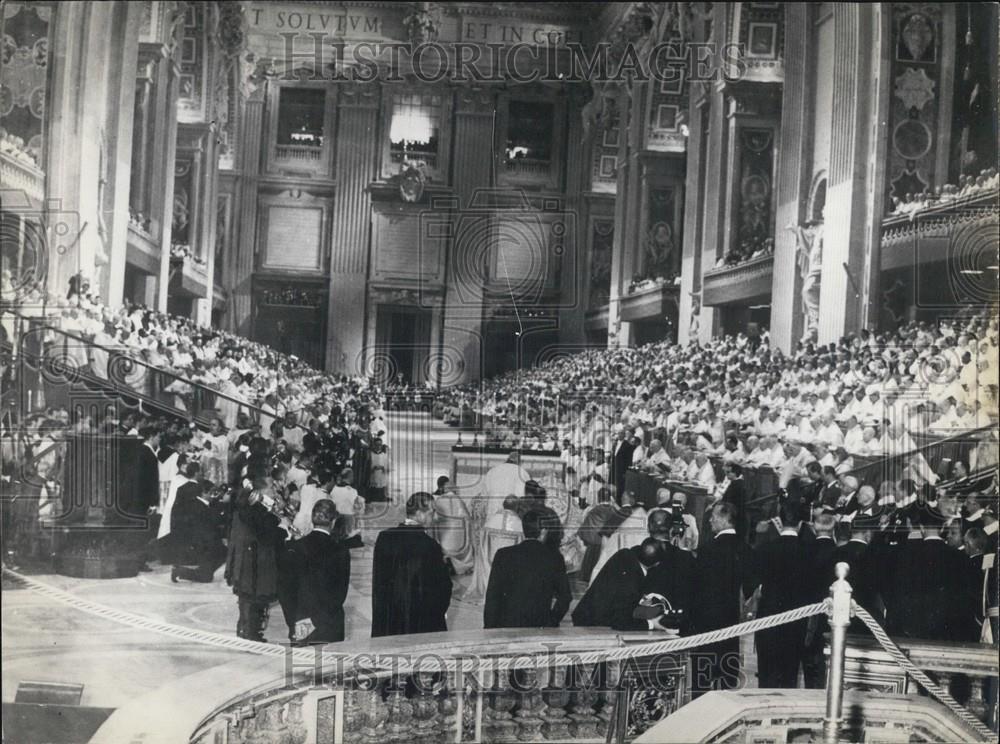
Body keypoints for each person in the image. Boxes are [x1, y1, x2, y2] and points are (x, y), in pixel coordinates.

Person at [745, 499, 814, 688]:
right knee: (789, 674)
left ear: (780, 522)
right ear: (801, 524)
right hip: (796, 620)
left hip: (768, 617)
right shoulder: (808, 553)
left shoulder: (764, 549)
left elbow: (752, 583)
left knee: (766, 672)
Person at [370, 492, 452, 637]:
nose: (436, 517)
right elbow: (441, 589)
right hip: (418, 625)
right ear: (420, 514)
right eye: (432, 512)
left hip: (388, 621)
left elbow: (378, 583)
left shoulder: (384, 538)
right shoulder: (430, 546)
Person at [689, 502, 746, 696]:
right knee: (727, 679)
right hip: (732, 622)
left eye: (714, 516)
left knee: (703, 679)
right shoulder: (745, 548)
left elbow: (696, 589)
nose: (711, 520)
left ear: (723, 519)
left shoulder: (708, 550)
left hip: (707, 622)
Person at [225, 475, 289, 641]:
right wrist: (284, 528)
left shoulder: (245, 503)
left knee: (245, 594)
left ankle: (244, 626)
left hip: (245, 557)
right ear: (260, 490)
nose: (274, 491)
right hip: (257, 558)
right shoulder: (257, 508)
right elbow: (267, 533)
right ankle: (252, 632)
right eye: (271, 488)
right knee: (256, 596)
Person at [484, 509, 571, 629]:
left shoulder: (503, 555)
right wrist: (551, 622)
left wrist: (489, 628)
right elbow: (565, 597)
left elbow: (492, 596)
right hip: (539, 626)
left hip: (506, 626)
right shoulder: (555, 558)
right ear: (544, 532)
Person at [572, 537, 669, 632]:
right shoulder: (631, 586)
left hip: (584, 613)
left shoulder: (624, 554)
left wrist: (640, 598)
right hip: (592, 625)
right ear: (656, 564)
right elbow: (621, 622)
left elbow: (616, 586)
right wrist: (652, 624)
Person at [292, 500, 351, 644]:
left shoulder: (296, 547)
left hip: (302, 619)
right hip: (330, 622)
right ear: (333, 520)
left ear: (312, 519)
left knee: (303, 662)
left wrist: (294, 622)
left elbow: (287, 589)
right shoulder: (341, 551)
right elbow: (340, 593)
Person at [169, 462, 226, 583]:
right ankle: (182, 571)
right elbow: (211, 518)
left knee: (221, 556)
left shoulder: (186, 492)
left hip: (200, 538)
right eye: (211, 493)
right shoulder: (199, 502)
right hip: (202, 541)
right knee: (206, 575)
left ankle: (204, 570)